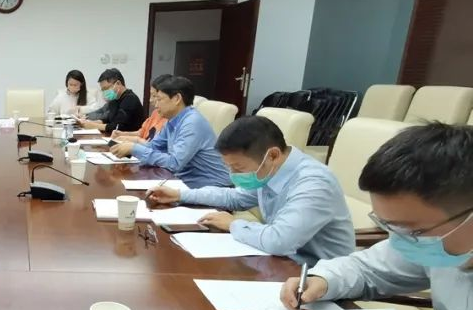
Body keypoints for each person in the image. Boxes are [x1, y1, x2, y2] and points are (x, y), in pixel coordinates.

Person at [277, 123, 473, 310]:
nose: (400, 240)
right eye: (388, 226)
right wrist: (322, 280)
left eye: (413, 230)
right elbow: (367, 268)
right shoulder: (441, 242)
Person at [148, 116, 354, 264]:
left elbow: (280, 241)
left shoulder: (313, 183)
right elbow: (235, 197)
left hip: (317, 278)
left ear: (272, 155)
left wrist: (233, 224)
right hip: (279, 263)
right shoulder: (270, 170)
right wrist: (181, 195)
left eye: (238, 168)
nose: (233, 175)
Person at [111, 76, 230, 188]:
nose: (155, 105)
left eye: (159, 99)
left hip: (211, 187)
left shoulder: (192, 123)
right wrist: (130, 146)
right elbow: (154, 146)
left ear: (177, 99)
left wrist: (134, 149)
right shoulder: (172, 120)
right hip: (184, 180)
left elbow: (174, 163)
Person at [75, 68, 146, 134]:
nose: (104, 92)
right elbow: (108, 120)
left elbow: (118, 127)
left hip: (129, 138)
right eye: (102, 90)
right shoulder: (114, 99)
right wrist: (89, 123)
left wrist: (94, 126)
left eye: (106, 88)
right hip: (115, 137)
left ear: (118, 83)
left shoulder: (130, 99)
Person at [112, 74, 171, 143]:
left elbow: (154, 146)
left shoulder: (170, 120)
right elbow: (142, 132)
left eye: (155, 96)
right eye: (151, 95)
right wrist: (122, 134)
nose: (150, 100)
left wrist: (135, 140)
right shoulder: (155, 112)